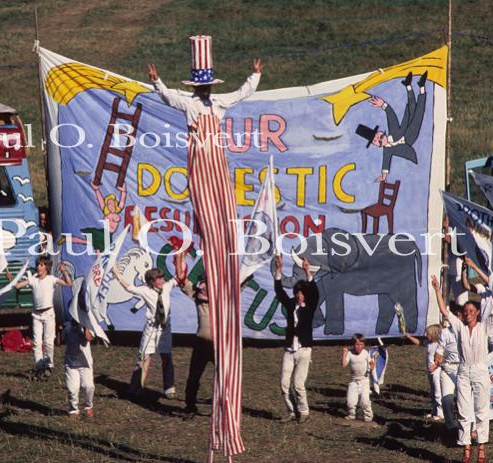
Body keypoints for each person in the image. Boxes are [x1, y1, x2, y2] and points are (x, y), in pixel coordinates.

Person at [148, 37, 262, 454]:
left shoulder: (219, 104)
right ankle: (196, 400)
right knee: (205, 192)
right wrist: (158, 82)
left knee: (222, 199)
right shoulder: (191, 106)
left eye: (207, 87)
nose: (206, 92)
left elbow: (241, 94)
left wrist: (255, 75)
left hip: (217, 163)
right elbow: (169, 98)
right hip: (201, 161)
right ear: (197, 88)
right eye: (203, 88)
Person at [433, 274, 493, 463]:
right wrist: (437, 289)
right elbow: (444, 311)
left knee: (481, 409)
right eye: (465, 311)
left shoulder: (484, 327)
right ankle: (466, 448)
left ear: (477, 312)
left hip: (480, 370)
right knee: (464, 409)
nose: (467, 313)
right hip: (463, 371)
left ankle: (481, 448)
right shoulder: (459, 327)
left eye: (471, 310)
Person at [113, 266, 177, 399]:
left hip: (164, 329)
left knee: (167, 357)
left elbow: (180, 276)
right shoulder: (144, 290)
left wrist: (180, 256)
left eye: (161, 278)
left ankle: (169, 388)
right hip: (151, 328)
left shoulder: (167, 286)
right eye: (157, 279)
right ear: (151, 282)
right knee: (143, 358)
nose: (161, 281)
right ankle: (135, 387)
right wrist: (115, 272)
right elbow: (128, 287)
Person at [355, 71, 428, 182]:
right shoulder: (387, 150)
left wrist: (383, 105)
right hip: (410, 139)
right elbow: (386, 162)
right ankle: (411, 85)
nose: (379, 139)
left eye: (377, 136)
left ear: (380, 132)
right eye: (376, 141)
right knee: (416, 110)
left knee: (417, 110)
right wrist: (383, 177)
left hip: (408, 127)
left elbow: (391, 116)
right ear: (376, 145)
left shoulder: (392, 131)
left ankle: (418, 86)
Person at [9, 255, 72, 378]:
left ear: (47, 267)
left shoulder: (51, 279)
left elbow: (68, 283)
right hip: (36, 314)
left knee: (48, 342)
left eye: (42, 265)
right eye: (38, 265)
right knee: (37, 342)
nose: (39, 267)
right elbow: (18, 286)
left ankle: (48, 366)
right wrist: (12, 280)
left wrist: (64, 272)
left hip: (48, 314)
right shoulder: (33, 279)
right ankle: (39, 366)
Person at [273, 254, 318, 424]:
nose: (300, 296)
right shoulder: (291, 304)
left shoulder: (310, 307)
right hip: (289, 350)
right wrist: (278, 270)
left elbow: (315, 292)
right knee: (284, 384)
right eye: (297, 293)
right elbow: (279, 293)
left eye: (302, 293)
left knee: (298, 384)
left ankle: (304, 411)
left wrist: (307, 271)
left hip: (304, 350)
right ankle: (291, 411)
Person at [175, 250, 212, 417]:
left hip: (219, 346)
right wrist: (180, 255)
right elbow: (181, 277)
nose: (202, 286)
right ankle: (190, 406)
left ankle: (225, 408)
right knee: (193, 377)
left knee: (224, 380)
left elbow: (243, 279)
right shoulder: (197, 296)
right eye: (202, 283)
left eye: (207, 284)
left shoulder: (224, 299)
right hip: (200, 344)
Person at [461, 257, 493, 350]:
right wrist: (464, 270)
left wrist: (474, 266)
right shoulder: (484, 289)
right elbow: (466, 285)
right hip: (484, 328)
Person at [403, 324, 444, 421]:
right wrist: (409, 336)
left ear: (434, 334)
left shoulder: (440, 345)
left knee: (438, 392)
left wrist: (435, 366)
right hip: (430, 370)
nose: (426, 335)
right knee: (433, 392)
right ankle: (434, 411)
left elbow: (442, 358)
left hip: (437, 371)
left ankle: (441, 413)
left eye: (428, 334)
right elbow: (418, 342)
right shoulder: (429, 343)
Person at [433, 305, 462, 431]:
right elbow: (439, 350)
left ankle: (466, 425)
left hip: (463, 369)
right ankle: (451, 426)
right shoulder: (445, 332)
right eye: (456, 316)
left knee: (464, 400)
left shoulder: (467, 330)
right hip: (448, 368)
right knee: (447, 400)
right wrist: (437, 357)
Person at [62, 320, 95, 418]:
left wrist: (85, 327)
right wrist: (59, 329)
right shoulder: (67, 325)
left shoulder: (88, 324)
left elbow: (88, 338)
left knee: (88, 386)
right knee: (73, 389)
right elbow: (60, 342)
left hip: (85, 363)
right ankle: (73, 410)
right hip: (71, 362)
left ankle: (88, 405)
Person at [342, 333, 375, 422]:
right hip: (353, 381)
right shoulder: (350, 353)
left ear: (364, 345)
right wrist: (344, 353)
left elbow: (371, 364)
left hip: (364, 381)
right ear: (353, 344)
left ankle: (368, 416)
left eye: (361, 345)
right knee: (350, 401)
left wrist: (372, 364)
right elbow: (344, 365)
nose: (358, 347)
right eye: (356, 344)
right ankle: (351, 414)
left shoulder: (365, 353)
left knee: (365, 401)